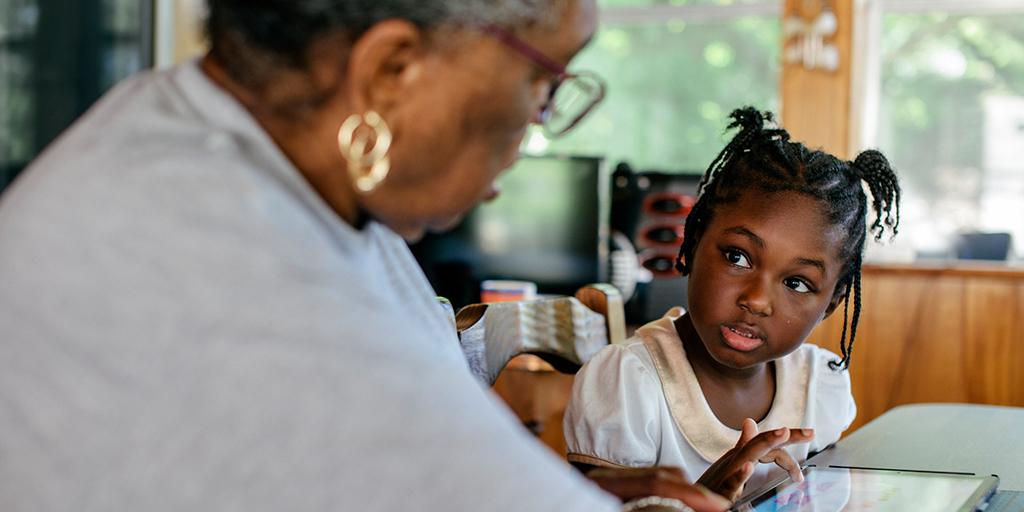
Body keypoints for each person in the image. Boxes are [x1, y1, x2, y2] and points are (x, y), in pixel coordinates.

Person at [0, 2, 805, 510]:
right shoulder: (218, 278)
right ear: (391, 72)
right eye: (544, 87)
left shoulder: (211, 141)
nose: (535, 131)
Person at [564, 107, 901, 500]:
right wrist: (704, 500)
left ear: (830, 304)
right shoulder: (628, 383)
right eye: (737, 257)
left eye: (796, 282)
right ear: (691, 245)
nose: (756, 301)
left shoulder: (819, 385)